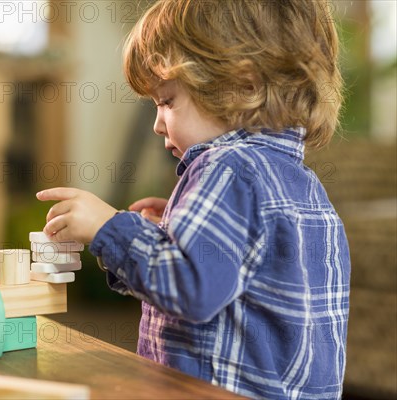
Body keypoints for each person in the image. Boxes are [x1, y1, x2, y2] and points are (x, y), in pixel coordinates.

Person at [37, 1, 350, 398]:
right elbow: (238, 273)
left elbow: (192, 286)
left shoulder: (228, 167)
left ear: (244, 85)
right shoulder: (305, 185)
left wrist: (108, 228)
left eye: (167, 101)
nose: (157, 123)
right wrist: (170, 234)